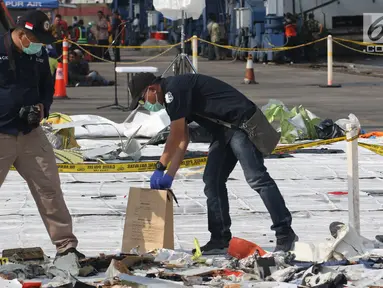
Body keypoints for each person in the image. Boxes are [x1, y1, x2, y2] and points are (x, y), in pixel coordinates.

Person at [128, 73, 298, 254]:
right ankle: (220, 238)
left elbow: (175, 136)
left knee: (257, 178)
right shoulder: (172, 97)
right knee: (212, 181)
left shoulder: (174, 91)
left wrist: (160, 167)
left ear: (152, 89)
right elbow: (183, 141)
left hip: (241, 124)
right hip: (224, 131)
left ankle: (284, 232)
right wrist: (169, 176)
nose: (145, 104)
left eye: (142, 99)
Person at [0, 10, 84, 259]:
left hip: (30, 133)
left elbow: (47, 87)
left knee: (49, 188)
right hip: (1, 133)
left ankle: (66, 245)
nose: (38, 46)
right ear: (21, 34)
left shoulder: (37, 56)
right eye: (35, 40)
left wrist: (42, 107)